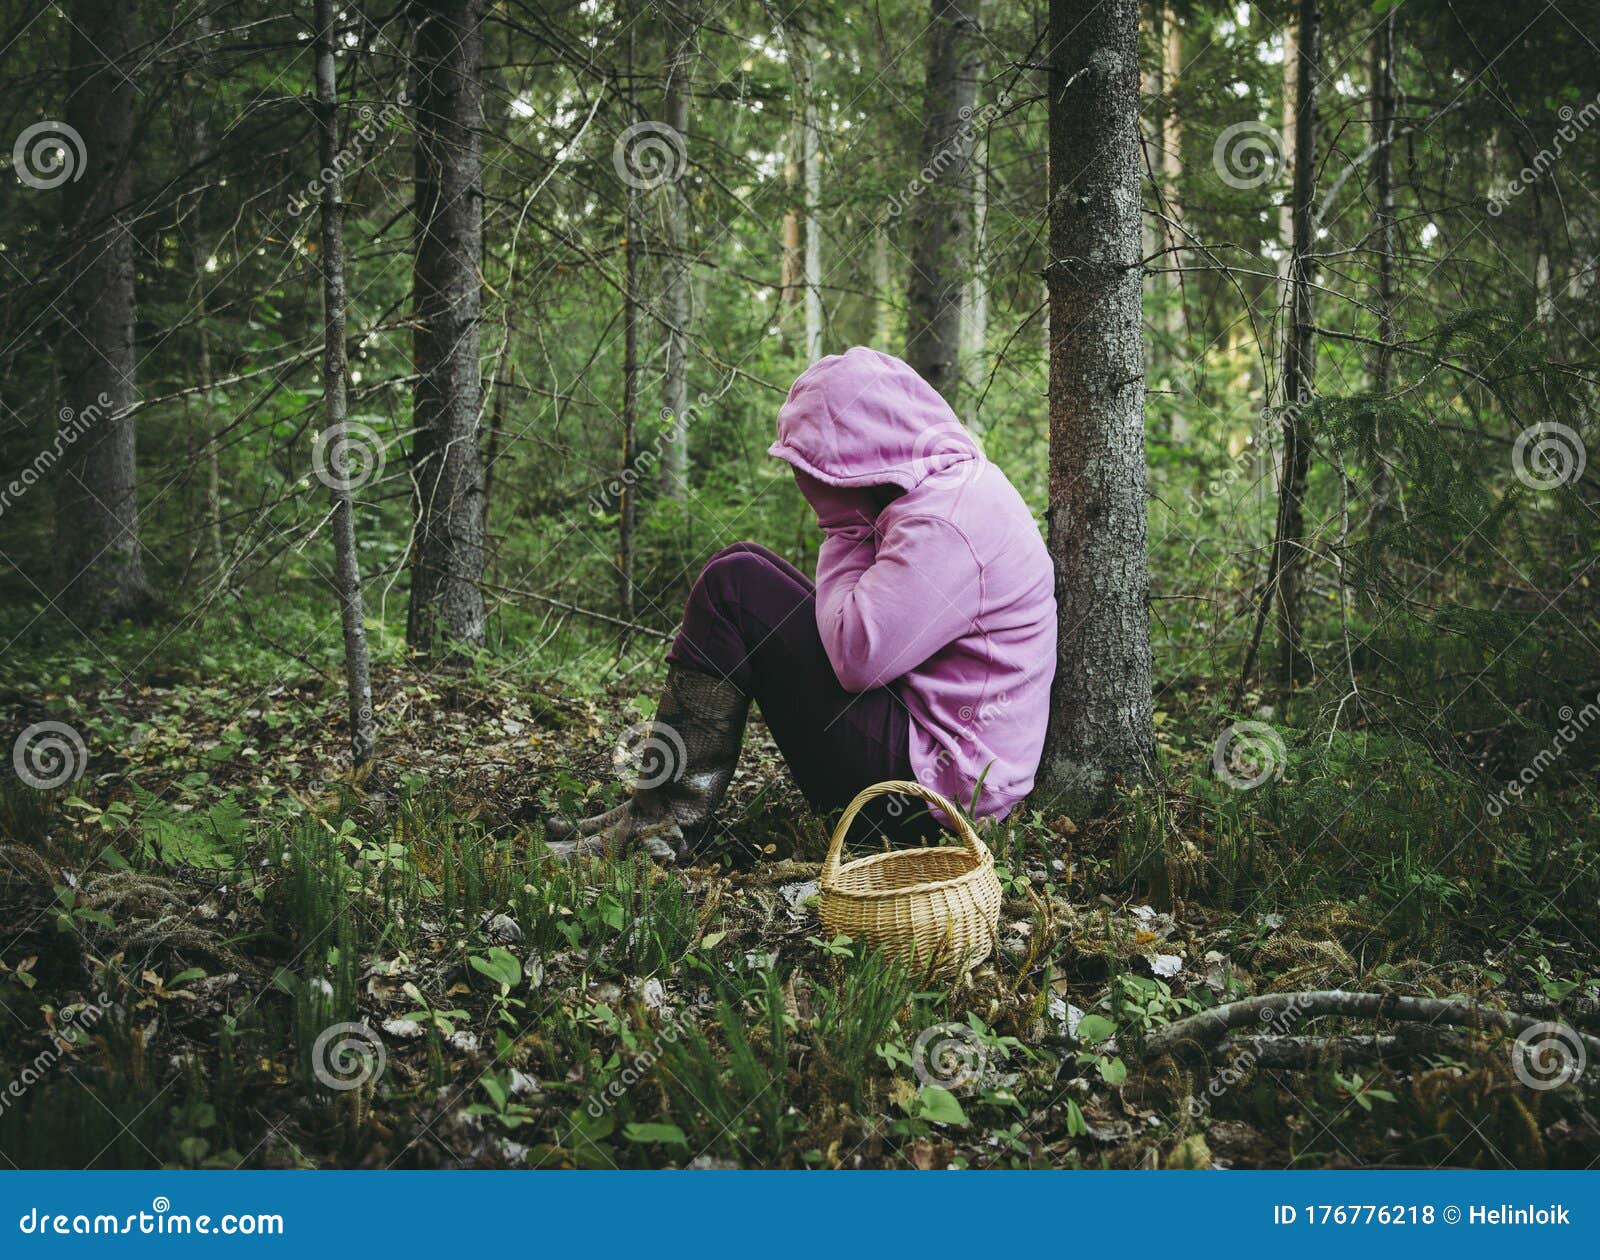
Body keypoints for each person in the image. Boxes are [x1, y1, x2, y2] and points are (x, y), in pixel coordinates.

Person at [546, 346, 1056, 861]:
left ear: (860, 455)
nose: (804, 482)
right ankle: (654, 807)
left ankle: (665, 820)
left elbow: (856, 660)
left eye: (813, 467)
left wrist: (844, 529)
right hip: (942, 763)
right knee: (743, 566)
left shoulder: (944, 524)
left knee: (736, 584)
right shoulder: (948, 489)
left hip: (930, 798)